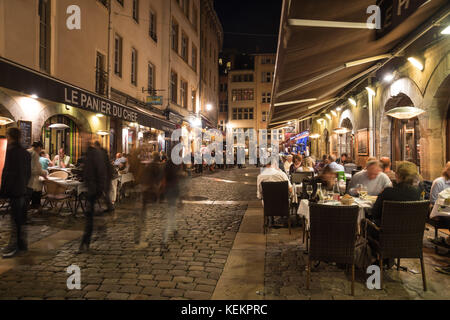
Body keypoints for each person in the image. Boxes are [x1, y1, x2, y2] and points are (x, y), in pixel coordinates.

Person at [366, 161, 422, 268]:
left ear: (397, 175)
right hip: (412, 238)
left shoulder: (388, 192)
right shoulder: (418, 192)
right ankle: (388, 260)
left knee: (368, 224)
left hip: (386, 236)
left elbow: (375, 213)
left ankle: (377, 259)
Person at [0, 127, 31, 258]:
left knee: (16, 219)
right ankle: (22, 244)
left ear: (10, 137)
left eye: (7, 135)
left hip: (14, 190)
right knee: (20, 218)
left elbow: (7, 173)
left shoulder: (11, 151)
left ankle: (14, 246)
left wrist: (3, 193)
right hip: (23, 189)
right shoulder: (25, 153)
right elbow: (28, 173)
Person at [79, 139, 108, 253]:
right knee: (90, 216)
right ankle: (85, 243)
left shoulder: (94, 155)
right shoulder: (90, 155)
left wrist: (99, 188)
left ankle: (85, 243)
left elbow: (100, 172)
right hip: (93, 190)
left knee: (90, 218)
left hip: (93, 190)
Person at [27, 141, 48, 212]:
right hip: (31, 179)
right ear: (38, 147)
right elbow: (35, 169)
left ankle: (33, 205)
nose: (40, 151)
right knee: (38, 187)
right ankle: (36, 206)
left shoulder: (27, 151)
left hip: (24, 179)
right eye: (41, 149)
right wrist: (44, 173)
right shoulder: (34, 154)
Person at [95, 141, 114, 212]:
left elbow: (102, 166)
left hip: (105, 176)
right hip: (107, 175)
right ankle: (109, 207)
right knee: (106, 192)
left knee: (105, 192)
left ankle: (109, 207)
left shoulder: (101, 154)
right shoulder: (103, 153)